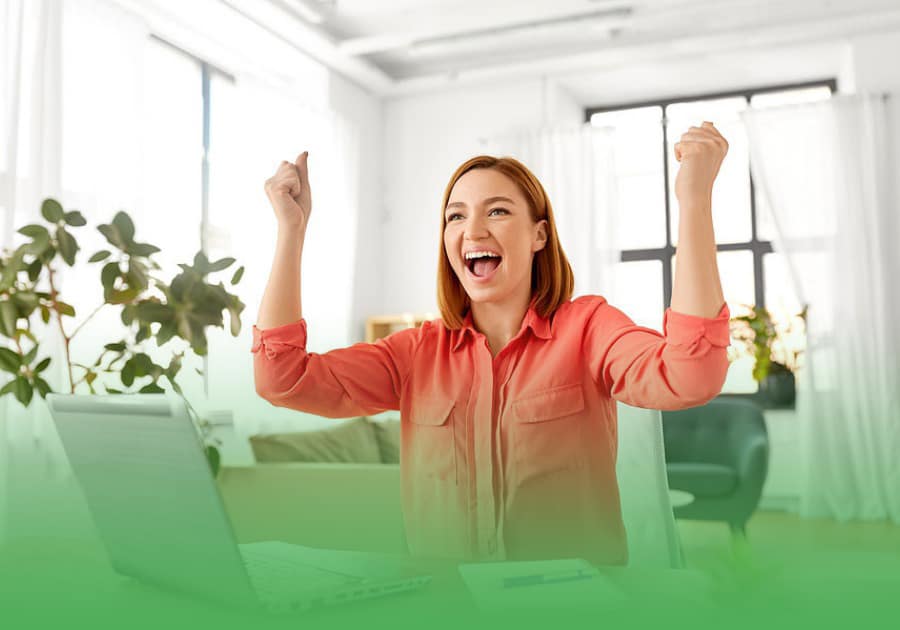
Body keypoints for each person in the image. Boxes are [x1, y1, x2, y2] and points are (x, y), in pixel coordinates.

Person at [252, 122, 731, 566]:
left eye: (497, 211)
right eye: (455, 216)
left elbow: (690, 374)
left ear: (539, 234)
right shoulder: (416, 354)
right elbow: (282, 379)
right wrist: (290, 230)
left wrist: (695, 201)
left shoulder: (589, 328)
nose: (473, 230)